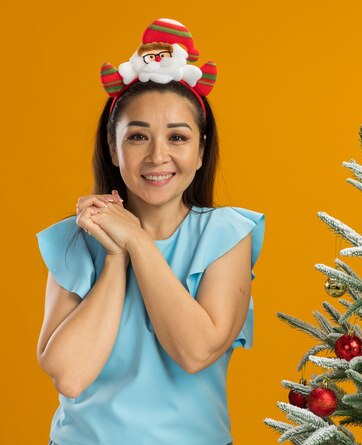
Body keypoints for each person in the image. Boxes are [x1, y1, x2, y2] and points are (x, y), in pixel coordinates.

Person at [35, 18, 265, 445]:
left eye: (177, 137)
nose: (158, 156)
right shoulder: (78, 237)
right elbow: (69, 375)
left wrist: (137, 241)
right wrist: (114, 256)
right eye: (138, 136)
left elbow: (195, 352)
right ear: (112, 146)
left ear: (200, 150)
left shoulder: (226, 233)